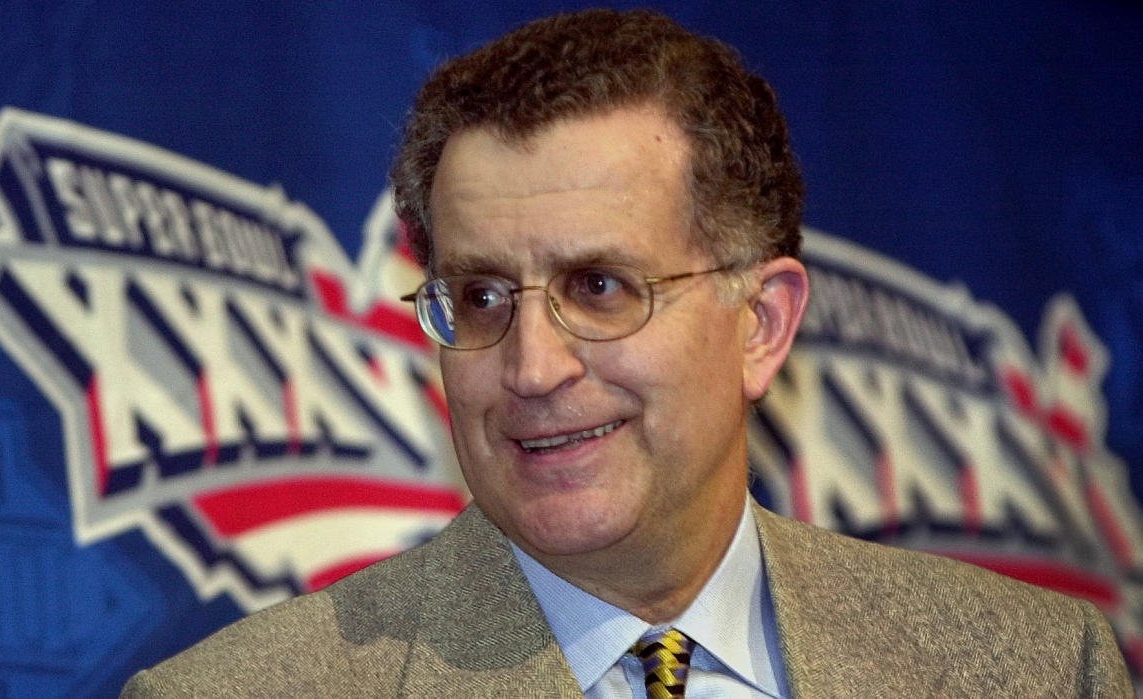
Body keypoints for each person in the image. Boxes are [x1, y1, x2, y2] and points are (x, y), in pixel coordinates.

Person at [122, 9, 1130, 697]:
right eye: (479, 298)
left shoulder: (1040, 667)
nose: (530, 367)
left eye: (598, 289)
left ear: (762, 322)